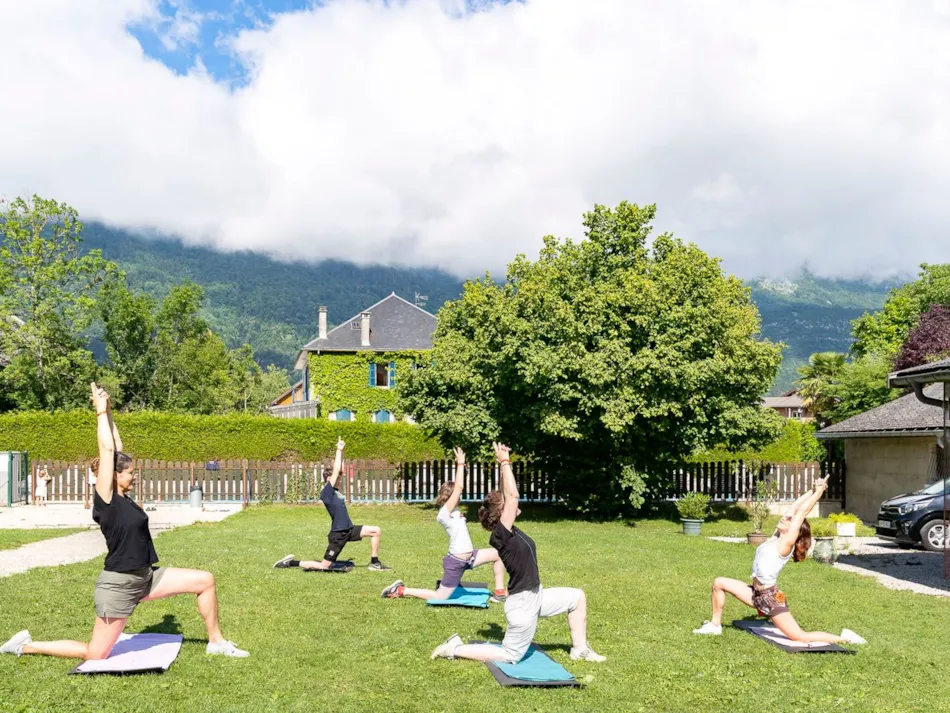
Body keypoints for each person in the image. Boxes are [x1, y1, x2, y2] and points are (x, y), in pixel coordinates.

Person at [0, 382, 249, 661]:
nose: (135, 475)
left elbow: (116, 448)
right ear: (114, 476)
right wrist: (99, 412)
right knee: (95, 654)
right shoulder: (106, 500)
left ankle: (216, 641)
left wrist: (109, 411)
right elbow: (107, 450)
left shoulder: (124, 497)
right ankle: (24, 645)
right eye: (130, 472)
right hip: (119, 585)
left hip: (146, 577)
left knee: (205, 580)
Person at [430, 443, 605, 664]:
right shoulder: (501, 534)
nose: (514, 503)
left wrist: (502, 466)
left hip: (535, 595)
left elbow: (507, 495)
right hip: (523, 604)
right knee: (510, 655)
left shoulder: (507, 529)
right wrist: (505, 461)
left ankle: (580, 649)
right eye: (508, 505)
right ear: (502, 513)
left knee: (576, 598)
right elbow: (512, 496)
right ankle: (454, 648)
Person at [692, 476, 866, 646]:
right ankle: (715, 625)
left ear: (794, 530)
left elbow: (802, 512)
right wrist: (811, 490)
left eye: (789, 520)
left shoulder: (785, 544)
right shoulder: (775, 538)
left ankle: (846, 638)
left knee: (800, 637)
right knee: (719, 583)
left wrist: (819, 492)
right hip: (755, 594)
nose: (784, 518)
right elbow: (795, 506)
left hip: (770, 598)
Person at [381, 447, 507, 602]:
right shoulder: (444, 514)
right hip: (456, 562)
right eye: (456, 495)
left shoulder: (454, 511)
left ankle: (499, 592)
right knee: (440, 597)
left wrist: (503, 467)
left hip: (470, 557)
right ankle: (401, 590)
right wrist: (460, 464)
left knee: (499, 554)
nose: (459, 496)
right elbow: (459, 487)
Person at [274, 437, 392, 572]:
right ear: (329, 479)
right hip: (338, 534)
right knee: (324, 566)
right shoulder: (327, 492)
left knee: (375, 531)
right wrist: (338, 450)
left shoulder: (334, 491)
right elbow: (336, 470)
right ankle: (290, 563)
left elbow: (339, 469)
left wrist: (343, 452)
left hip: (348, 529)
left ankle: (375, 563)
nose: (340, 480)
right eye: (337, 478)